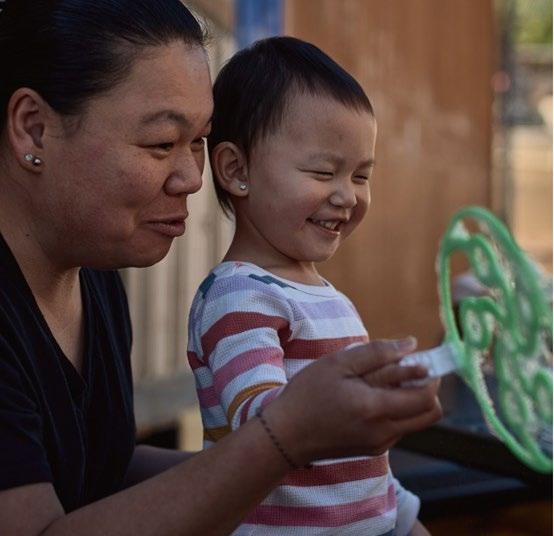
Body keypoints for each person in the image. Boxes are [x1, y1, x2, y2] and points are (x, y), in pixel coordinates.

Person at [0, 1, 441, 534]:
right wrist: (285, 438)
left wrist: (332, 485)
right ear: (34, 128)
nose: (193, 177)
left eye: (198, 141)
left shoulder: (93, 279)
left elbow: (103, 471)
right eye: (162, 143)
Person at [188, 37, 432, 536]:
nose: (347, 197)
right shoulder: (240, 297)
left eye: (361, 176)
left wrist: (405, 517)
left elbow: (360, 471)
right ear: (236, 170)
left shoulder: (326, 297)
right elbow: (262, 427)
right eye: (323, 172)